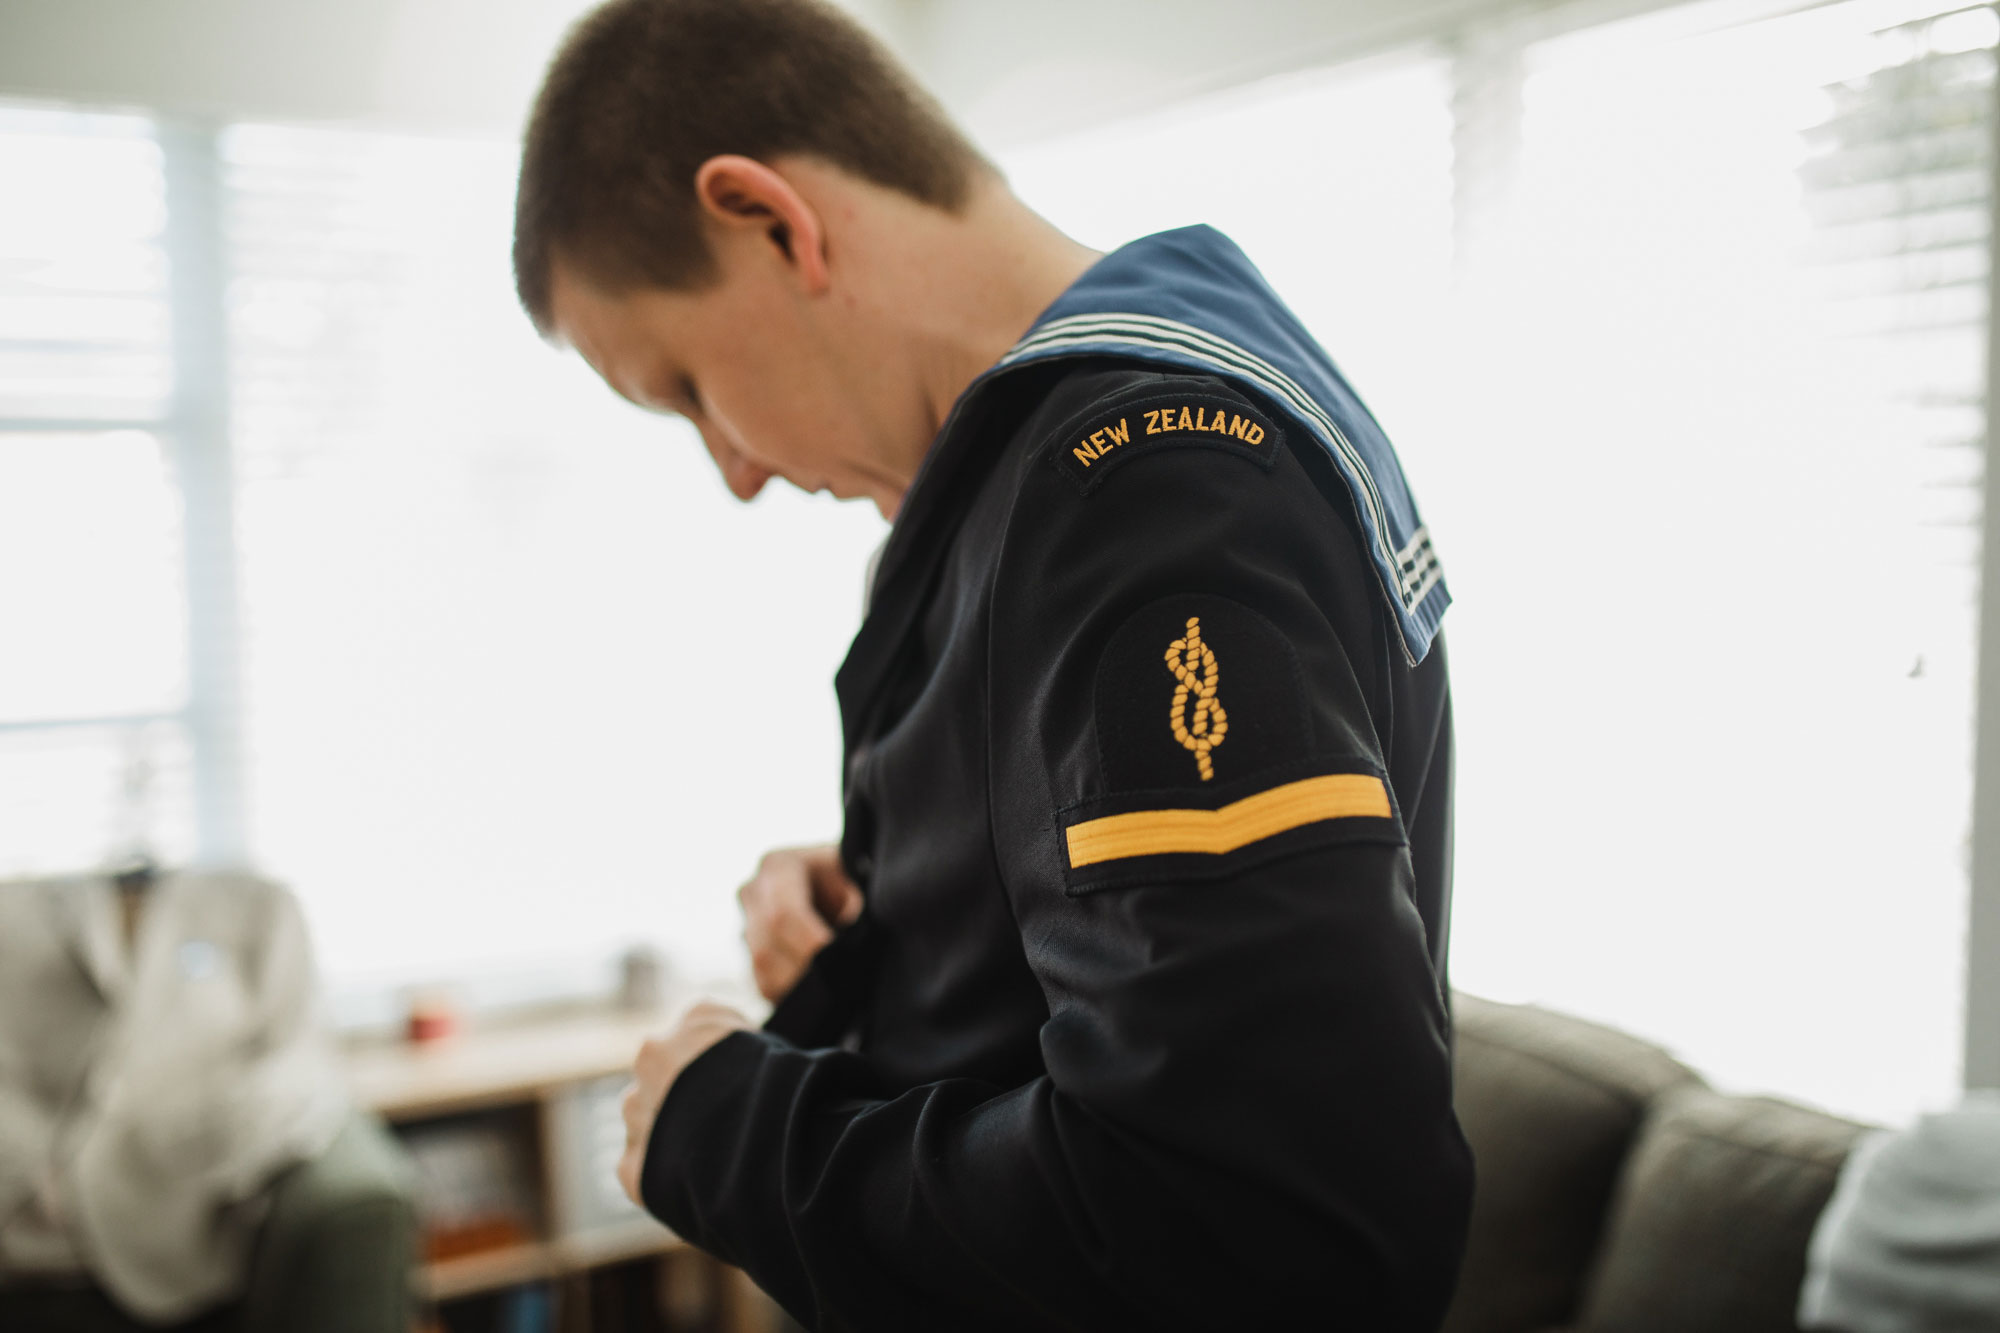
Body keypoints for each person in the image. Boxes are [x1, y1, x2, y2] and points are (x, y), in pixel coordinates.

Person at [512, 0, 1472, 1326]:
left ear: (770, 220)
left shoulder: (1148, 485)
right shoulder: (1077, 460)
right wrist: (898, 896)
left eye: (683, 387)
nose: (733, 473)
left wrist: (726, 1129)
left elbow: (1254, 1225)